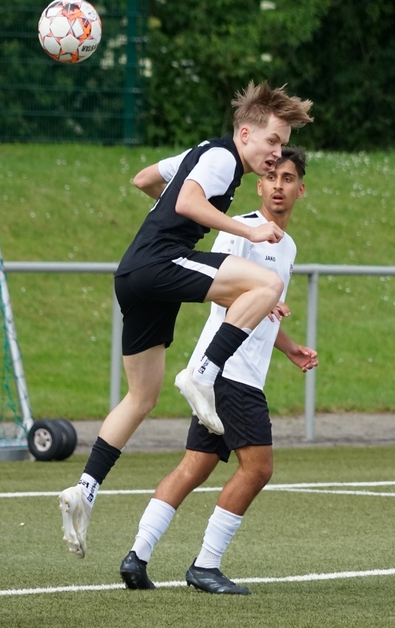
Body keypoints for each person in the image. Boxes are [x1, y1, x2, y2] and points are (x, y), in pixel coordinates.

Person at [58, 81, 314, 560]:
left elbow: (144, 180)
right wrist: (246, 230)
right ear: (245, 133)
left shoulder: (200, 153)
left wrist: (172, 212)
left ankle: (85, 488)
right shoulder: (222, 158)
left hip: (134, 275)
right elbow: (186, 204)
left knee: (141, 397)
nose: (276, 153)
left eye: (282, 144)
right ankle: (203, 373)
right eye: (272, 141)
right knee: (266, 284)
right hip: (159, 263)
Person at [119, 149, 317, 594]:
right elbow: (215, 287)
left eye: (289, 179)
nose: (279, 185)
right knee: (258, 468)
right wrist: (259, 296)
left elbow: (260, 311)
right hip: (227, 371)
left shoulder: (288, 247)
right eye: (273, 177)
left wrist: (288, 347)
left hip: (228, 374)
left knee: (195, 466)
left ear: (300, 190)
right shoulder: (240, 230)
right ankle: (206, 565)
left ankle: (137, 556)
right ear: (260, 184)